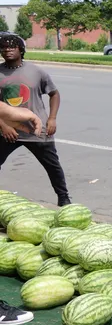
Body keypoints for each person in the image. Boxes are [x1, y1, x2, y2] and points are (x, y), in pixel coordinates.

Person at [0, 34, 72, 206]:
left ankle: (64, 199)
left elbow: (54, 94)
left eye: (12, 47)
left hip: (36, 130)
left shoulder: (36, 71)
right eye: (4, 47)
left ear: (21, 49)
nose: (7, 50)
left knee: (52, 166)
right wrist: (3, 126)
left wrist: (52, 118)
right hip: (7, 131)